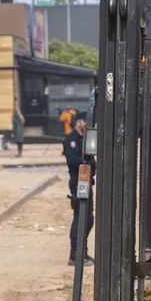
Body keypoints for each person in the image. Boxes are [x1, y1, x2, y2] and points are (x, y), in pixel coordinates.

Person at [63, 111, 95, 265]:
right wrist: (86, 162)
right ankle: (74, 255)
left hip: (87, 181)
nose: (87, 124)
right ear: (78, 122)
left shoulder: (87, 139)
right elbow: (72, 161)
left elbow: (93, 161)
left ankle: (83, 252)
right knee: (80, 217)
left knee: (88, 219)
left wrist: (88, 163)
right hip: (78, 181)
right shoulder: (71, 139)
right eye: (85, 121)